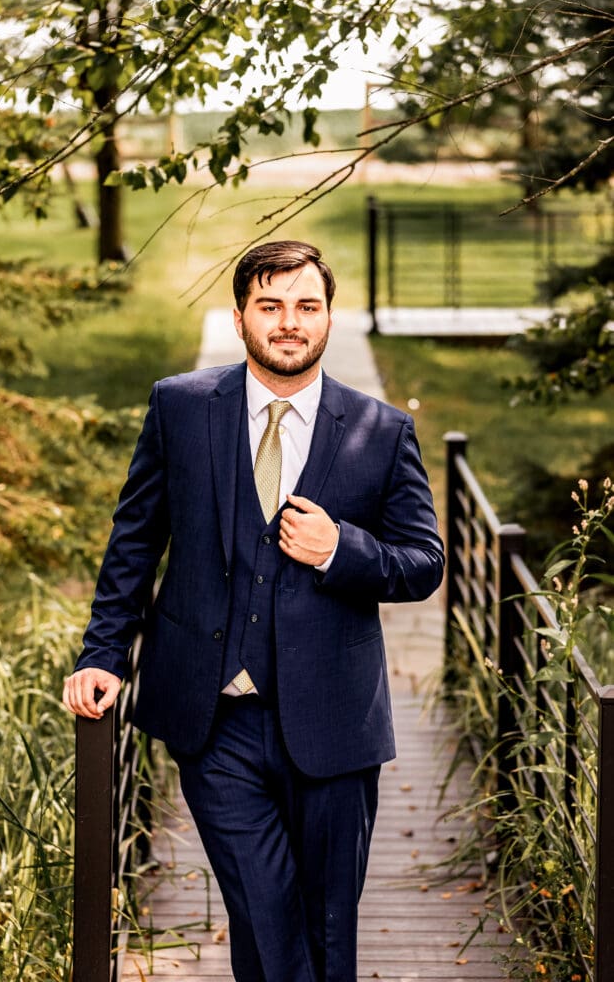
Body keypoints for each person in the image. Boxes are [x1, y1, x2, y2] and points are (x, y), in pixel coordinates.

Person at [63, 240, 444, 982]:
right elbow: (134, 544)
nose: (289, 323)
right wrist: (103, 654)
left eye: (306, 306)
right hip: (213, 720)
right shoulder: (180, 407)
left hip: (334, 725)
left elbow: (423, 565)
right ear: (239, 318)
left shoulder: (379, 430)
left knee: (326, 932)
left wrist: (342, 549)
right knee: (266, 914)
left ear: (329, 317)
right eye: (269, 307)